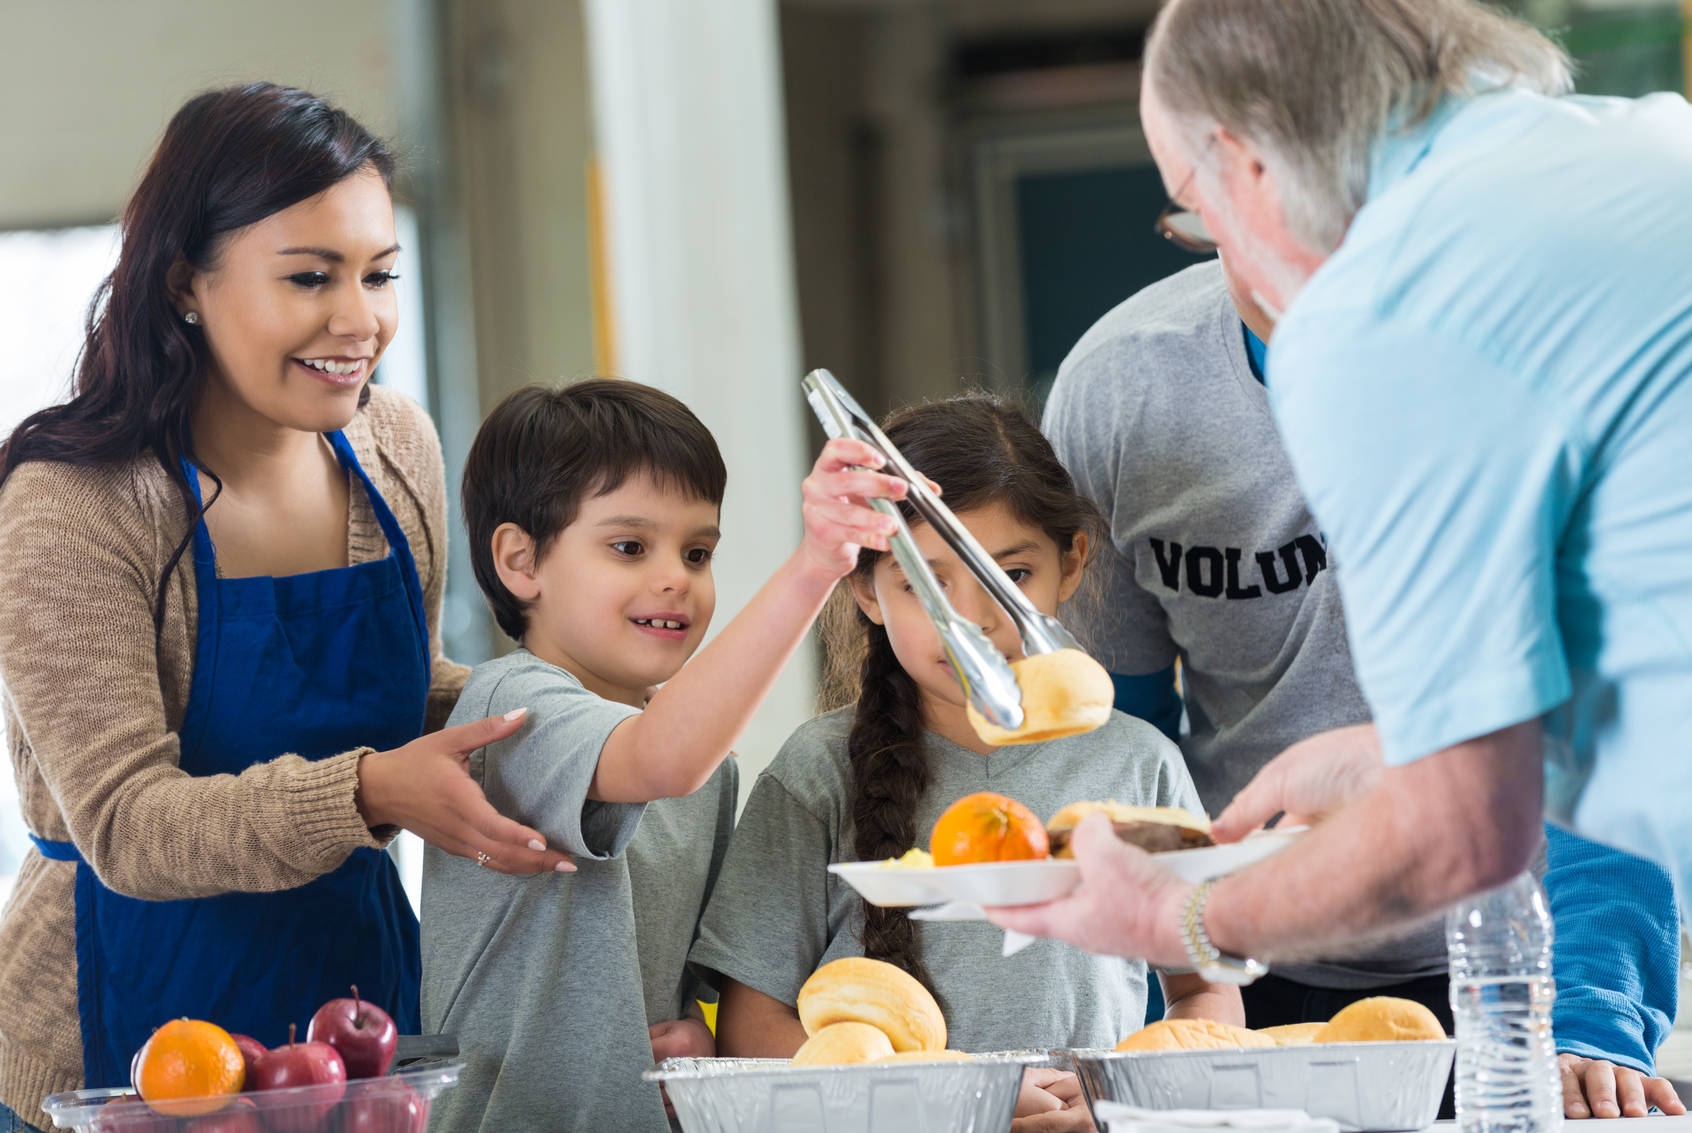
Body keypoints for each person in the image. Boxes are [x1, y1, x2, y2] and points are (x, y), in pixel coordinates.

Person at [990, 0, 1692, 1090]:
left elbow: (1457, 829)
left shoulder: (1378, 318)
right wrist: (1386, 758)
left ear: (1246, 166)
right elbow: (1615, 670)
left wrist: (1180, 913)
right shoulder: (1657, 155)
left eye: (1193, 206)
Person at [0, 84, 573, 1133]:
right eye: (310, 277)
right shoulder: (70, 500)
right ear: (185, 283)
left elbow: (403, 689)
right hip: (112, 1047)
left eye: (379, 274)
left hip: (351, 1024)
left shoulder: (393, 445)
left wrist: (577, 712)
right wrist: (370, 791)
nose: (358, 320)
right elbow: (127, 822)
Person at [1042, 256, 1685, 1119]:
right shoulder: (1123, 388)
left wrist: (1594, 1014)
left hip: (1513, 964)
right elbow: (1126, 756)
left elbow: (1614, 731)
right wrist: (1174, 1002)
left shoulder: (1564, 369)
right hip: (1245, 967)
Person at [692, 396, 1242, 1133]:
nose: (974, 619)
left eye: (1010, 572)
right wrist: (936, 1102)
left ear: (1070, 564)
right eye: (926, 584)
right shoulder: (817, 770)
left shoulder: (1140, 766)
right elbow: (750, 1027)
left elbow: (1206, 994)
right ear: (866, 590)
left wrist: (1123, 1088)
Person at [420, 380, 910, 1133]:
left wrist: (697, 1027)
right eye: (629, 547)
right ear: (522, 562)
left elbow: (688, 965)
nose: (677, 577)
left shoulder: (708, 768)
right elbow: (659, 758)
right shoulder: (510, 706)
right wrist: (815, 565)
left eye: (698, 550)